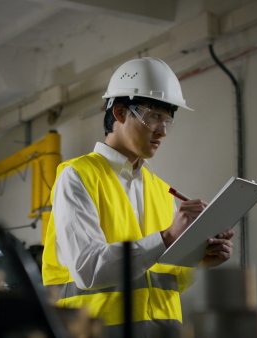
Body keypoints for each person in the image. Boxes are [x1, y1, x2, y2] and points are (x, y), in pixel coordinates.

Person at [42, 57, 234, 337]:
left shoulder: (161, 190)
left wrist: (199, 258)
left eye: (168, 119)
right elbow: (87, 269)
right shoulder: (77, 176)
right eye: (154, 116)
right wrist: (167, 237)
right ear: (120, 113)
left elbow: (163, 279)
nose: (163, 131)